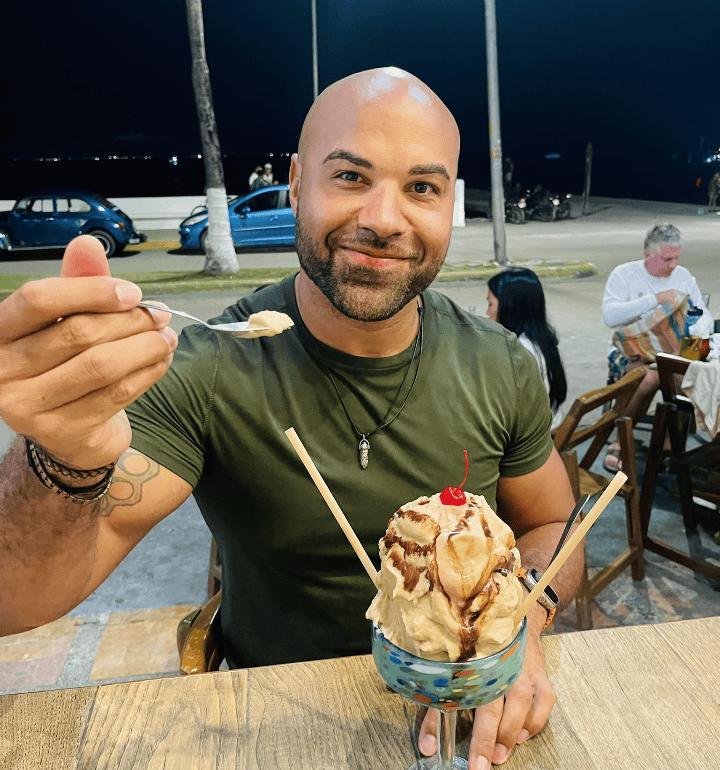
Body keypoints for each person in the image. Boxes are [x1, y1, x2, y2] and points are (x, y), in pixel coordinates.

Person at [0, 68, 581, 768]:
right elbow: (17, 600)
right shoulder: (212, 366)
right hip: (272, 722)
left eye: (421, 188)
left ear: (448, 205)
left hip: (465, 719)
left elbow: (553, 521)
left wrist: (523, 622)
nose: (384, 219)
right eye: (351, 177)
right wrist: (62, 454)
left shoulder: (498, 364)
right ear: (299, 181)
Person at [601, 223, 712, 471]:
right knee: (650, 377)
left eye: (677, 258)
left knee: (689, 372)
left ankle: (668, 443)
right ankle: (623, 441)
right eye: (667, 259)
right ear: (647, 254)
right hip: (634, 347)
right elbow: (610, 317)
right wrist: (655, 300)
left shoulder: (683, 276)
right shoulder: (624, 274)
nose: (673, 265)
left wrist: (694, 343)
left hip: (673, 347)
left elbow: (701, 315)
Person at [487, 268, 567, 430]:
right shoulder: (539, 339)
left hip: (530, 438)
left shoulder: (519, 351)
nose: (487, 312)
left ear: (509, 307)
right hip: (549, 423)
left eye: (490, 304)